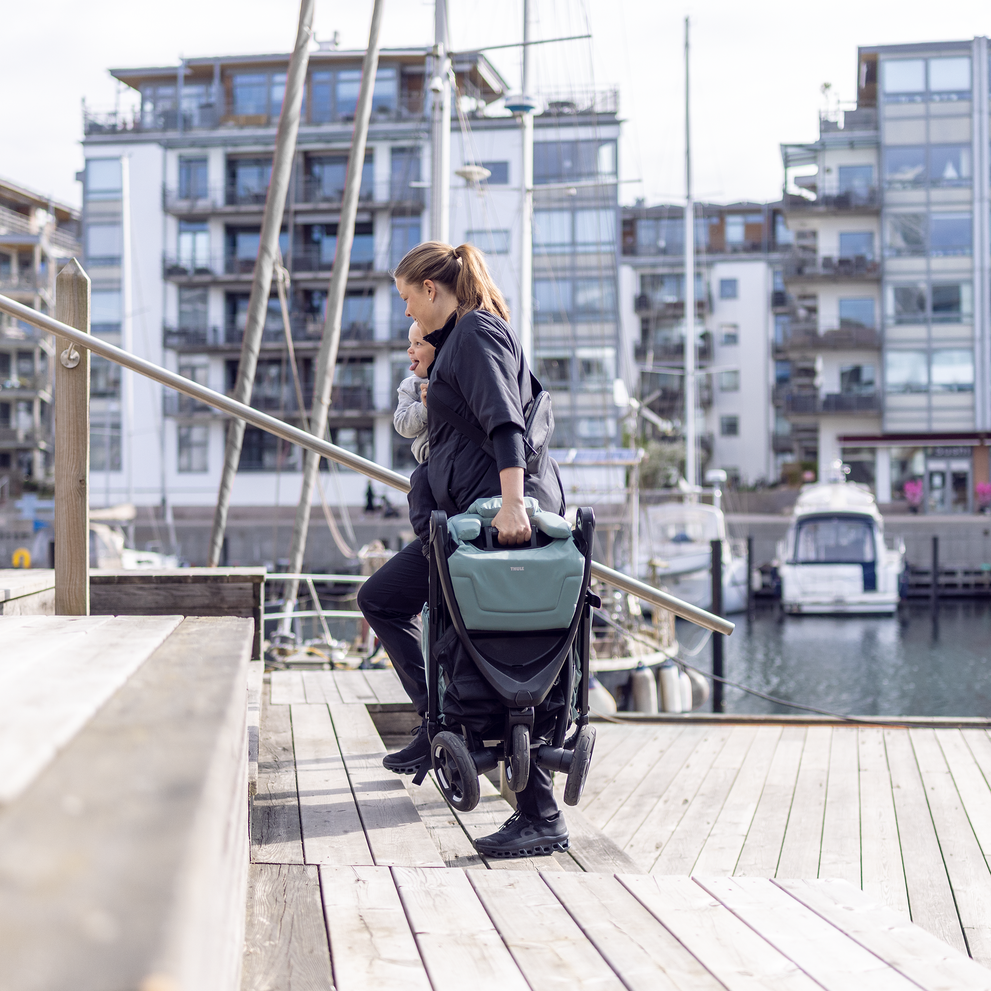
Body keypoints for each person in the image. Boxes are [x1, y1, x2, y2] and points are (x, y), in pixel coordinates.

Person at [356, 241, 567, 858]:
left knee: (497, 660)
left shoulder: (475, 333)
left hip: (493, 527)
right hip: (463, 531)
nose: (405, 316)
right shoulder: (459, 342)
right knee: (387, 602)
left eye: (405, 300)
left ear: (431, 290)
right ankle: (436, 723)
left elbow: (506, 425)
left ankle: (540, 814)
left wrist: (511, 507)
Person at [393, 321, 435, 464]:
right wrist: (423, 408)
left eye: (418, 344)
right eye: (410, 343)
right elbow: (401, 425)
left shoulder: (452, 375)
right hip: (429, 459)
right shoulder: (410, 385)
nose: (410, 350)